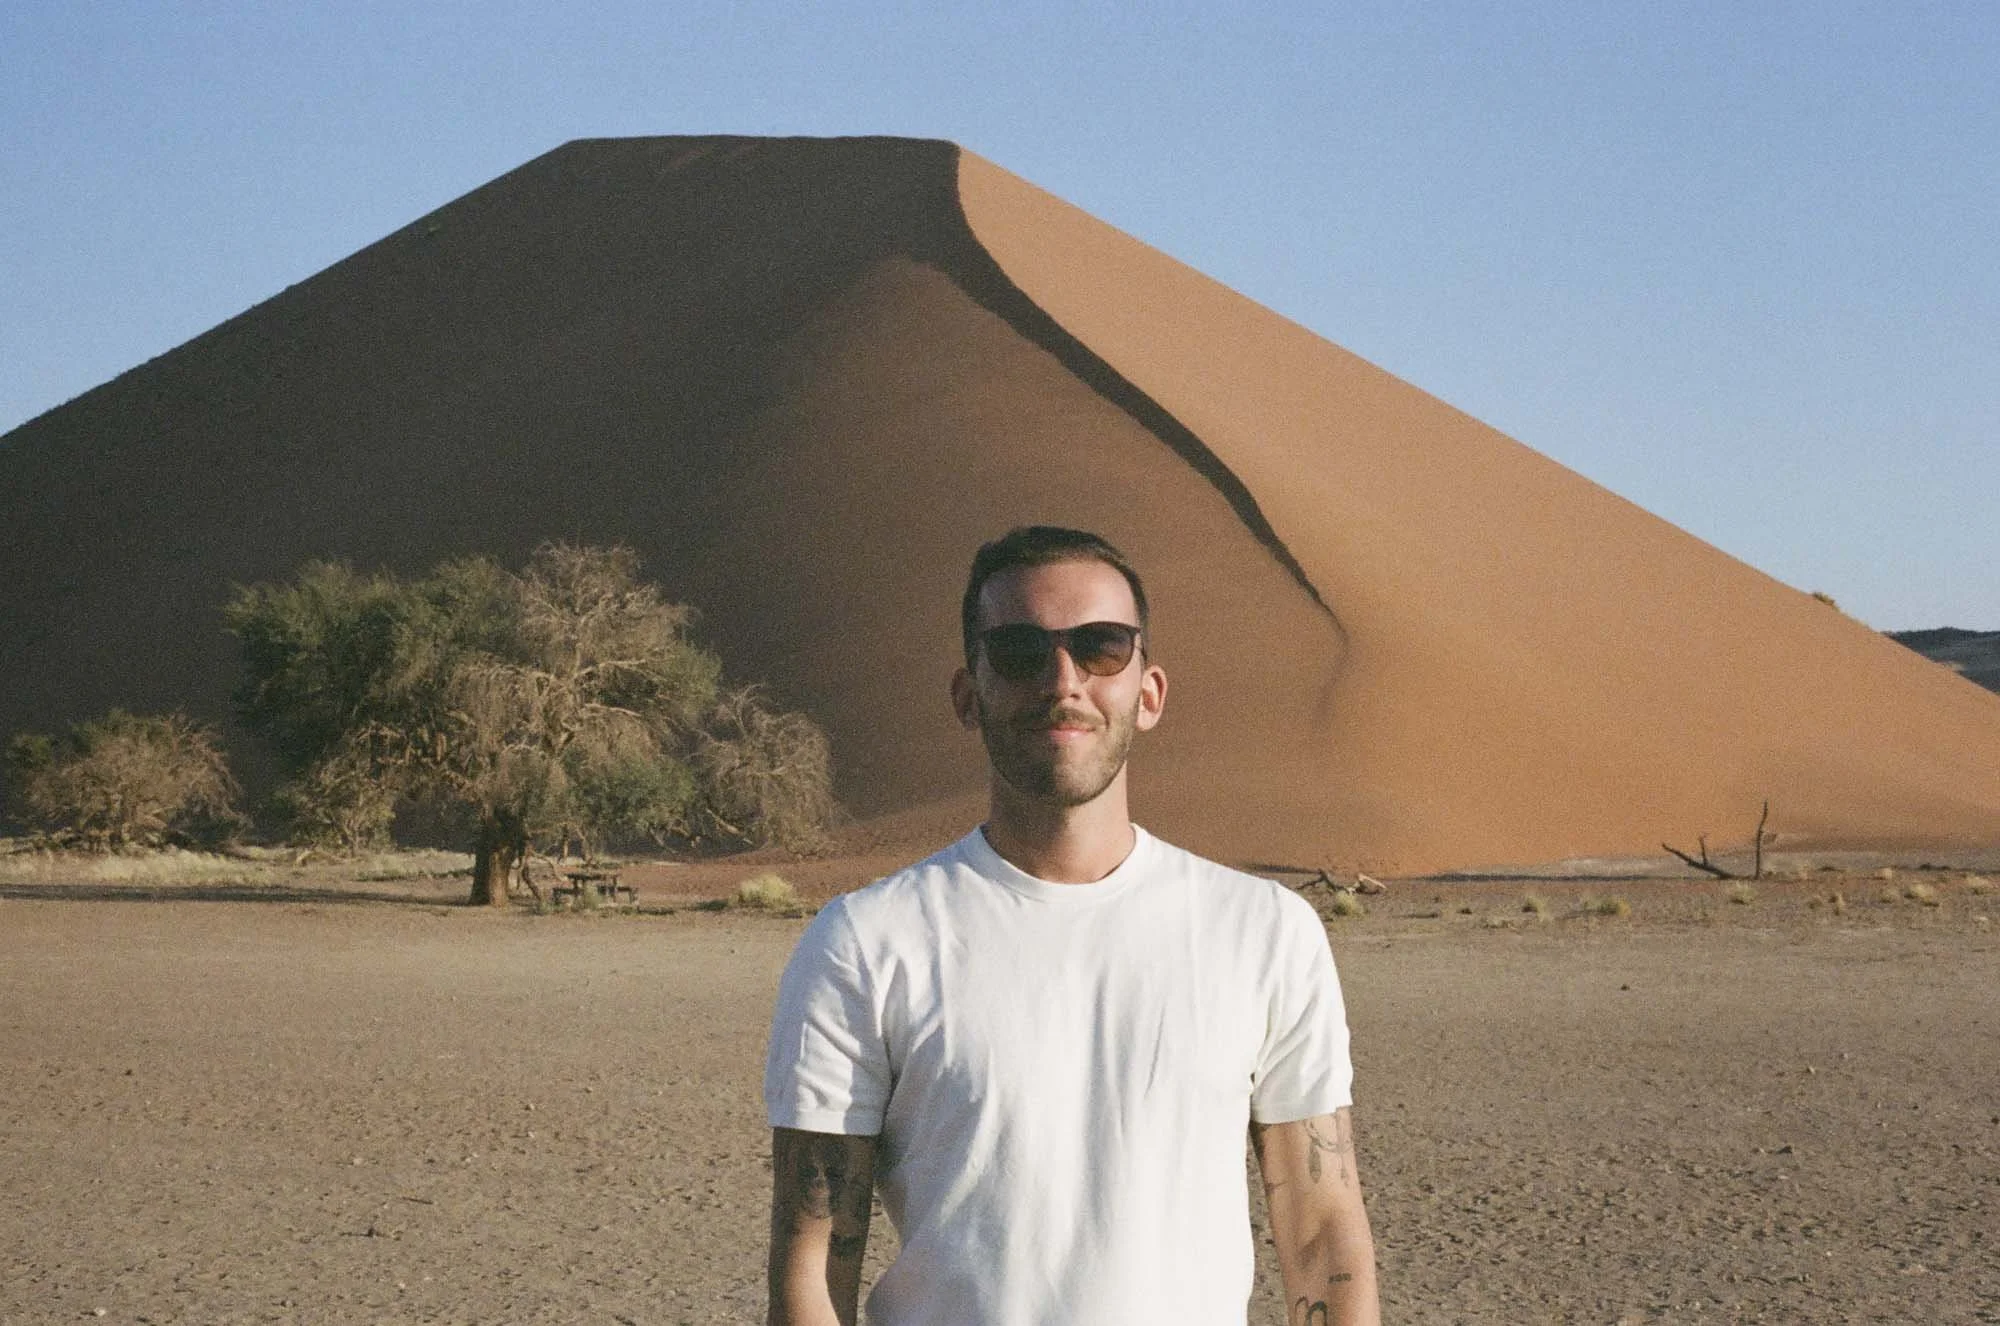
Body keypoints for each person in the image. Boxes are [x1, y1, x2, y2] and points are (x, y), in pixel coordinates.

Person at [764, 526, 1378, 1325]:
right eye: (1020, 651)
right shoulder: (866, 942)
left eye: (1101, 647)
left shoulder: (1265, 933)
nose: (1063, 682)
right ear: (967, 695)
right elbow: (812, 1265)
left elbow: (1322, 1234)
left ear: (1149, 693)